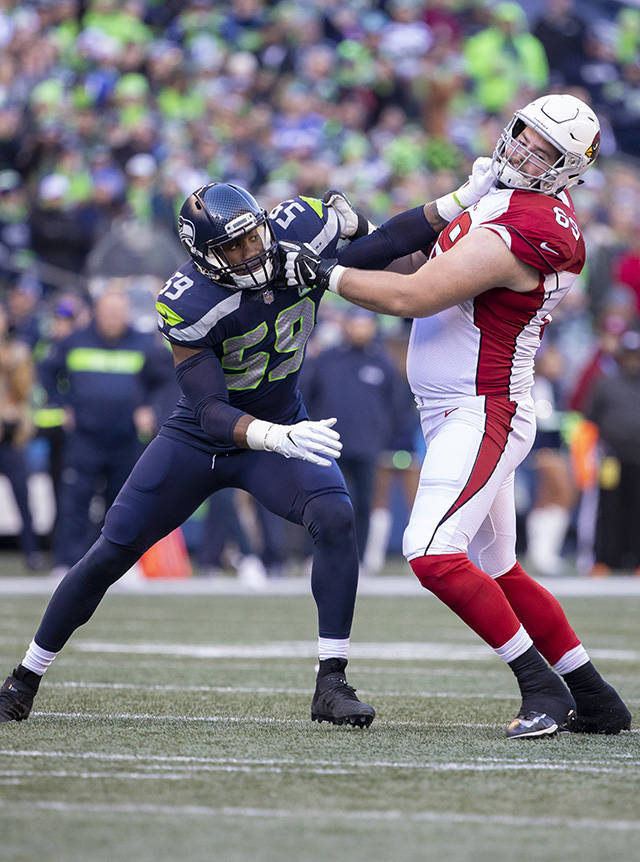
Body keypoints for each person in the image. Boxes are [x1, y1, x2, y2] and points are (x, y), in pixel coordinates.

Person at [0, 164, 496, 726]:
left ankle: (331, 682)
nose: (251, 252)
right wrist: (275, 437)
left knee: (335, 515)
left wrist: (462, 197)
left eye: (254, 235)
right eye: (233, 248)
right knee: (111, 550)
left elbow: (387, 241)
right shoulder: (186, 300)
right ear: (204, 256)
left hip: (283, 420)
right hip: (202, 438)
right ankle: (24, 678)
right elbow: (210, 411)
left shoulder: (300, 226)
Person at [281, 93, 631, 739]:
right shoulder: (498, 194)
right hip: (459, 409)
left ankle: (541, 688)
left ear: (567, 167)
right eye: (523, 134)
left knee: (431, 551)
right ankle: (597, 698)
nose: (523, 150)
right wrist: (361, 242)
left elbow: (418, 296)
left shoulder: (538, 225)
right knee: (499, 570)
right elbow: (419, 262)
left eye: (543, 150)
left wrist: (322, 276)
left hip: (484, 408)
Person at [39, 289, 176, 575]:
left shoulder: (144, 345)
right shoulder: (74, 342)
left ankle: (120, 568)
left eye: (118, 313)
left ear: (127, 314)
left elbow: (164, 382)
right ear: (97, 313)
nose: (113, 319)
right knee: (75, 502)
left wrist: (151, 409)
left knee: (123, 506)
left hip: (126, 439)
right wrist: (62, 405)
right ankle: (67, 562)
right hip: (85, 438)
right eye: (108, 313)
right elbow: (47, 371)